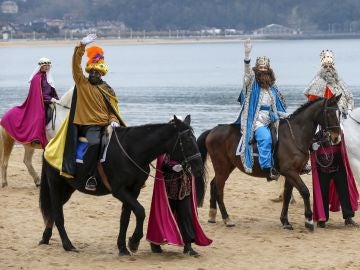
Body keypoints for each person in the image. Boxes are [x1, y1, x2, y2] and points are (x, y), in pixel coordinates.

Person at [44, 34, 126, 191]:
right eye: (92, 72)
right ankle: (91, 176)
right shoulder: (82, 83)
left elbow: (113, 110)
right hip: (88, 125)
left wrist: (114, 119)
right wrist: (81, 46)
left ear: (101, 73)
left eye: (97, 72)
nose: (93, 75)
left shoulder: (108, 89)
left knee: (123, 142)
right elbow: (75, 65)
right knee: (95, 143)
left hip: (106, 124)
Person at [304, 49, 359, 227]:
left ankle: (348, 216)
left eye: (330, 64)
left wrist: (348, 110)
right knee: (323, 184)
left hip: (338, 122)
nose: (328, 67)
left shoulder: (339, 82)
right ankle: (322, 219)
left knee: (343, 182)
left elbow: (349, 98)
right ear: (322, 66)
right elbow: (311, 104)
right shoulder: (317, 83)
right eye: (326, 64)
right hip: (322, 123)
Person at [147, 140, 212, 257]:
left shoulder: (187, 145)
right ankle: (155, 242)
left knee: (186, 215)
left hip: (184, 187)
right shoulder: (166, 145)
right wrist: (173, 167)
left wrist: (191, 167)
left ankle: (188, 246)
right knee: (165, 214)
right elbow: (163, 164)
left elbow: (194, 159)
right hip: (169, 189)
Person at [234, 38, 287, 181]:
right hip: (256, 119)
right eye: (260, 68)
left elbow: (279, 105)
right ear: (256, 69)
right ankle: (268, 168)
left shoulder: (273, 87)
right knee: (266, 139)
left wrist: (285, 118)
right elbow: (246, 72)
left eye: (265, 68)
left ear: (269, 70)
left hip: (272, 118)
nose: (262, 70)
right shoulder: (251, 82)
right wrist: (247, 56)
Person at [1, 57, 59, 148]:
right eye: (45, 65)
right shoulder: (37, 78)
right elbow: (39, 94)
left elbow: (52, 90)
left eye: (48, 65)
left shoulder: (48, 77)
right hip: (39, 102)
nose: (47, 67)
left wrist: (56, 99)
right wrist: (50, 99)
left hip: (50, 101)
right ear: (41, 67)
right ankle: (36, 138)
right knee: (39, 117)